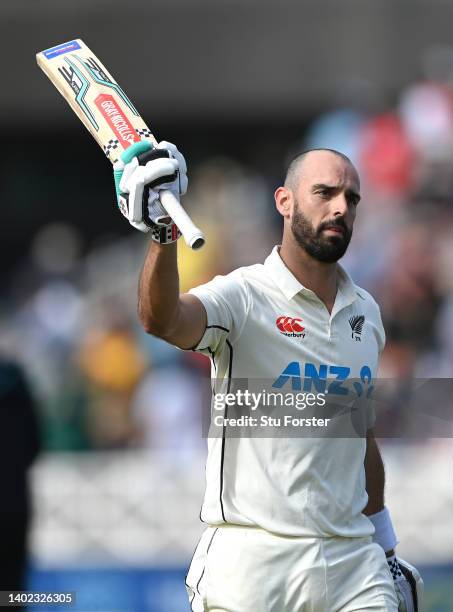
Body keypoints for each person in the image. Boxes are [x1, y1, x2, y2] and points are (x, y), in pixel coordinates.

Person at [113, 141, 423, 611]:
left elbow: (360, 435)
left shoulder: (367, 313)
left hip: (353, 565)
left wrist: (386, 547)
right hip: (252, 564)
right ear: (285, 201)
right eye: (324, 192)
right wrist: (162, 233)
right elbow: (163, 320)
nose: (340, 207)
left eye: (351, 198)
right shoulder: (243, 296)